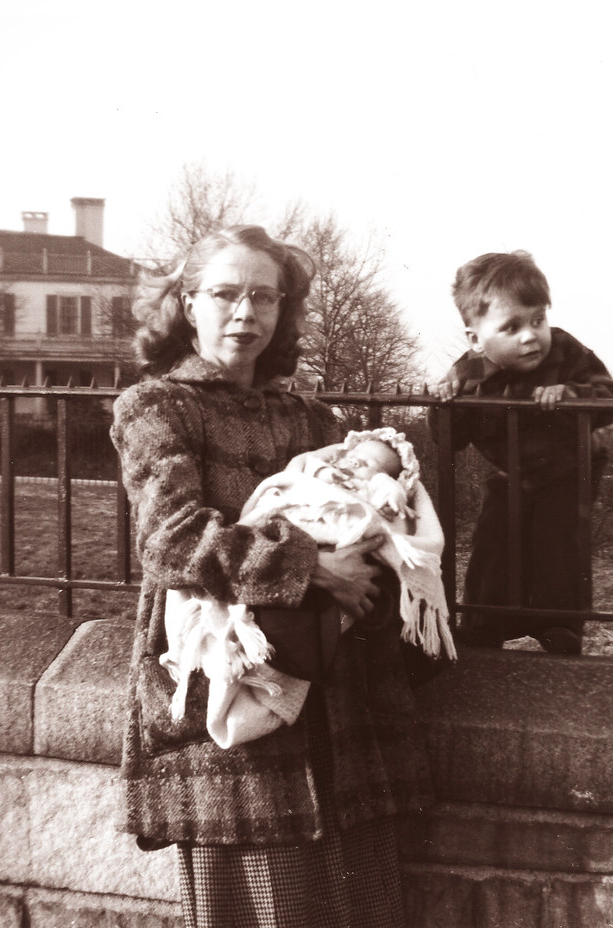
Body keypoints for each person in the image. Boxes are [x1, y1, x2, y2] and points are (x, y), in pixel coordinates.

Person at [110, 225, 435, 928]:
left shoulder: (314, 418)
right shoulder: (159, 407)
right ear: (188, 304)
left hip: (339, 699)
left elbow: (366, 522)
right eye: (225, 294)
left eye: (265, 297)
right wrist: (311, 566)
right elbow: (171, 543)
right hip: (226, 692)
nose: (245, 313)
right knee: (262, 906)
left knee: (360, 907)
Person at [159, 427, 455, 750]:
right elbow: (171, 543)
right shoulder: (323, 467)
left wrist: (386, 490)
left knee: (281, 654)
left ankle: (254, 696)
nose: (356, 465)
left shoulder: (321, 426)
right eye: (354, 458)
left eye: (369, 464)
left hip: (330, 648)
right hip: (247, 572)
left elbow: (391, 513)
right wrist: (309, 565)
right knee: (246, 644)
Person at [431, 250, 613, 655]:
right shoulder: (468, 373)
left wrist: (573, 396)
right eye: (511, 326)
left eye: (538, 320)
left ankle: (560, 625)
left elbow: (612, 397)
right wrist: (445, 403)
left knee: (557, 541)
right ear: (476, 340)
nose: (529, 336)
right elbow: (448, 439)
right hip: (511, 471)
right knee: (493, 539)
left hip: (570, 467)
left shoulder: (566, 351)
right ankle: (486, 622)